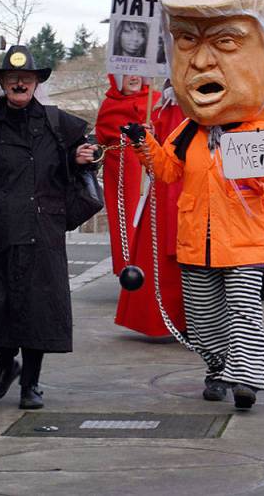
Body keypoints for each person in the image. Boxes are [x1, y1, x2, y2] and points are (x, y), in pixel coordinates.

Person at [131, 0, 264, 411]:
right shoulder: (186, 132)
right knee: (204, 319)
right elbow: (167, 173)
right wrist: (143, 142)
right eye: (187, 40)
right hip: (195, 240)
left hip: (243, 242)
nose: (202, 61)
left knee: (244, 314)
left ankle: (246, 381)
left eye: (225, 42)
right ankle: (216, 367)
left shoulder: (257, 131)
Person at [0, 44, 98, 410]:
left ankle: (31, 384)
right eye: (12, 77)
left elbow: (86, 152)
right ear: (2, 83)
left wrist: (84, 157)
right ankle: (5, 365)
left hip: (43, 234)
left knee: (37, 311)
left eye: (26, 78)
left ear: (35, 83)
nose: (19, 83)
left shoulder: (56, 123)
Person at [95, 74, 186, 340]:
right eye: (126, 74)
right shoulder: (110, 105)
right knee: (126, 226)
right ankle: (129, 272)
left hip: (157, 172)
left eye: (137, 72)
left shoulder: (158, 101)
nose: (133, 77)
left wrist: (151, 135)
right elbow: (103, 137)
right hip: (122, 169)